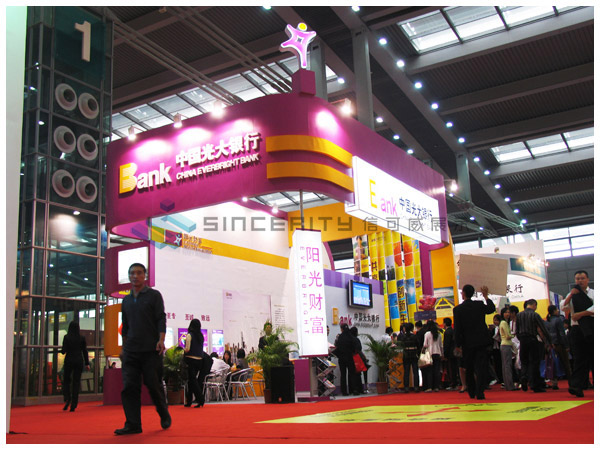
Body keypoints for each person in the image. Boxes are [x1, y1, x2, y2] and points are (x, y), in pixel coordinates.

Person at [114, 263, 171, 435]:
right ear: (129, 276)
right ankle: (133, 424)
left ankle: (163, 412)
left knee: (153, 384)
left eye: (139, 273)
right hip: (131, 350)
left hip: (150, 350)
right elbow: (125, 327)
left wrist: (161, 340)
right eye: (132, 273)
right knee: (129, 387)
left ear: (144, 276)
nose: (135, 276)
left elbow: (161, 318)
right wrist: (123, 348)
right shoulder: (126, 300)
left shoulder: (154, 296)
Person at [453, 284, 495, 400]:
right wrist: (486, 296)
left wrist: (457, 344)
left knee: (469, 367)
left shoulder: (458, 309)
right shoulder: (479, 305)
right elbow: (491, 309)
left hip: (467, 343)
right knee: (481, 367)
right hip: (481, 341)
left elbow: (457, 329)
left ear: (463, 294)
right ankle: (480, 391)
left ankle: (471, 391)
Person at [561, 270, 594, 397]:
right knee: (579, 358)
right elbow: (563, 307)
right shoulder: (572, 294)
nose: (580, 281)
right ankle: (577, 386)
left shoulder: (594, 293)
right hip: (576, 329)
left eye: (582, 278)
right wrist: (570, 295)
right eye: (577, 279)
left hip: (592, 328)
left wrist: (581, 314)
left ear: (587, 279)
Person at [515, 299, 551, 393]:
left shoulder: (519, 315)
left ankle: (523, 376)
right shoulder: (535, 315)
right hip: (532, 339)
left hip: (523, 340)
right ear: (534, 305)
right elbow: (543, 328)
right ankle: (535, 384)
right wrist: (549, 340)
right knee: (534, 362)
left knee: (524, 361)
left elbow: (517, 330)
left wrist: (520, 338)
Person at [60, 321, 90, 412]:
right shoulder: (82, 338)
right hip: (79, 360)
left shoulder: (66, 337)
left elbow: (64, 350)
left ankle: (67, 397)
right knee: (76, 382)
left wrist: (62, 350)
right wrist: (87, 363)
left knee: (66, 380)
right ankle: (74, 403)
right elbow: (84, 351)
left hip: (69, 360)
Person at [545, 305, 570, 389]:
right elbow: (562, 334)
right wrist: (566, 345)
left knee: (552, 364)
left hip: (551, 345)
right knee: (566, 364)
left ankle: (554, 383)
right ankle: (571, 382)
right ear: (554, 311)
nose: (558, 311)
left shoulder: (547, 321)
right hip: (559, 344)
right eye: (556, 309)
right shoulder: (558, 320)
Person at [183, 318, 205, 407]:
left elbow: (187, 349)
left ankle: (200, 399)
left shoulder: (189, 335)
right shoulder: (201, 336)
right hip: (200, 360)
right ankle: (189, 401)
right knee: (192, 381)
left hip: (191, 360)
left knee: (192, 380)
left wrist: (182, 351)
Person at [335, 323, 360, 396]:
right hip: (350, 357)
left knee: (343, 375)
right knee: (352, 374)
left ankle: (344, 391)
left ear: (341, 329)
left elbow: (336, 347)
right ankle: (354, 390)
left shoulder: (340, 337)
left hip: (341, 358)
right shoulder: (351, 336)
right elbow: (356, 347)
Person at [499, 307, 517, 391]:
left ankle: (507, 384)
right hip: (506, 344)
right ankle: (510, 385)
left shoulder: (503, 322)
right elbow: (508, 336)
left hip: (504, 344)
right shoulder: (504, 323)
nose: (508, 314)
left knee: (505, 365)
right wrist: (514, 334)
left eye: (509, 312)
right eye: (506, 312)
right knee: (507, 365)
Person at [422, 321, 443, 392]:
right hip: (437, 353)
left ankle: (430, 387)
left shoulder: (427, 334)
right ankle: (436, 386)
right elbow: (441, 345)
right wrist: (442, 354)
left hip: (429, 354)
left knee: (429, 371)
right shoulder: (439, 334)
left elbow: (425, 345)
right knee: (437, 370)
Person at [401, 322, 419, 393]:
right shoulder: (414, 336)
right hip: (414, 354)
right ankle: (416, 387)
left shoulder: (403, 337)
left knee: (406, 372)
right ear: (412, 328)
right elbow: (418, 345)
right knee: (415, 371)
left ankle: (406, 387)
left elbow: (401, 345)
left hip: (406, 355)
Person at [350, 326, 368, 394]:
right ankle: (360, 389)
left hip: (350, 358)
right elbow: (359, 349)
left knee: (352, 375)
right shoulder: (356, 340)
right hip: (357, 358)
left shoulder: (349, 339)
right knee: (358, 374)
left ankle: (353, 389)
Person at [442, 318, 458, 390]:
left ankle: (453, 384)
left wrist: (445, 354)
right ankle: (455, 382)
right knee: (454, 368)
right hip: (454, 352)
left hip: (450, 353)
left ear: (445, 323)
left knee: (451, 369)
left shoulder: (447, 332)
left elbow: (446, 344)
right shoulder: (453, 330)